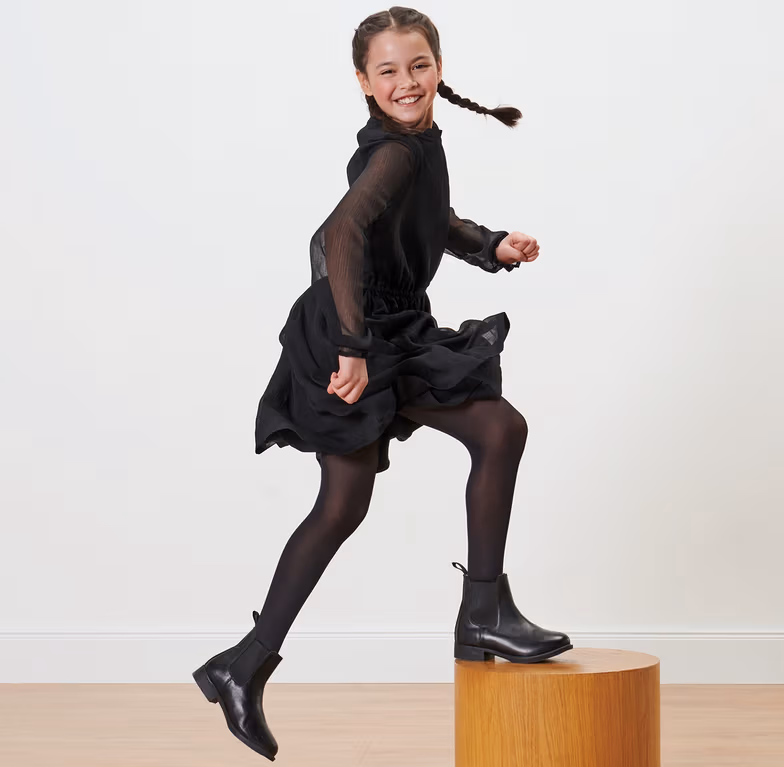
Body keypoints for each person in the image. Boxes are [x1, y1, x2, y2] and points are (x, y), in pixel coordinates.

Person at [192, 7, 572, 761]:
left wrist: (490, 244)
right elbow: (338, 235)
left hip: (388, 326)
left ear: (439, 68)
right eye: (388, 71)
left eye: (419, 65)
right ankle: (474, 613)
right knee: (400, 477)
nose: (407, 82)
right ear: (363, 81)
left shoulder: (420, 142)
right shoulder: (394, 152)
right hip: (353, 334)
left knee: (412, 471)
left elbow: (427, 220)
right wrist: (353, 346)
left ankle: (247, 664)